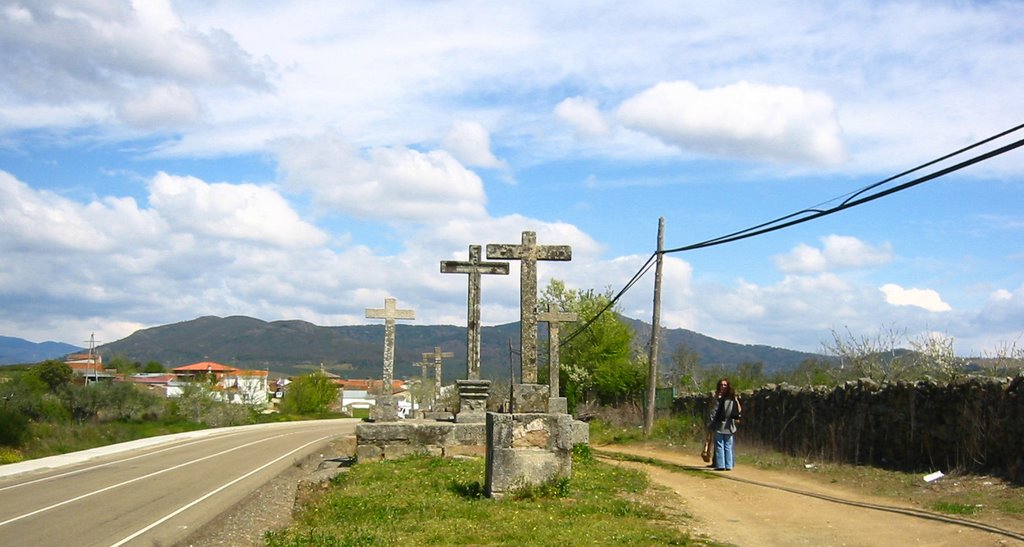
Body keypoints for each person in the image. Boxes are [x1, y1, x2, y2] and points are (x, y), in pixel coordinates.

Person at [707, 377, 741, 471]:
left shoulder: (730, 397)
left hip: (728, 425)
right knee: (721, 445)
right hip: (720, 424)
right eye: (721, 385)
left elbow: (738, 408)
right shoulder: (723, 397)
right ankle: (723, 465)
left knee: (726, 445)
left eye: (725, 385)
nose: (723, 387)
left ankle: (726, 465)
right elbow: (712, 410)